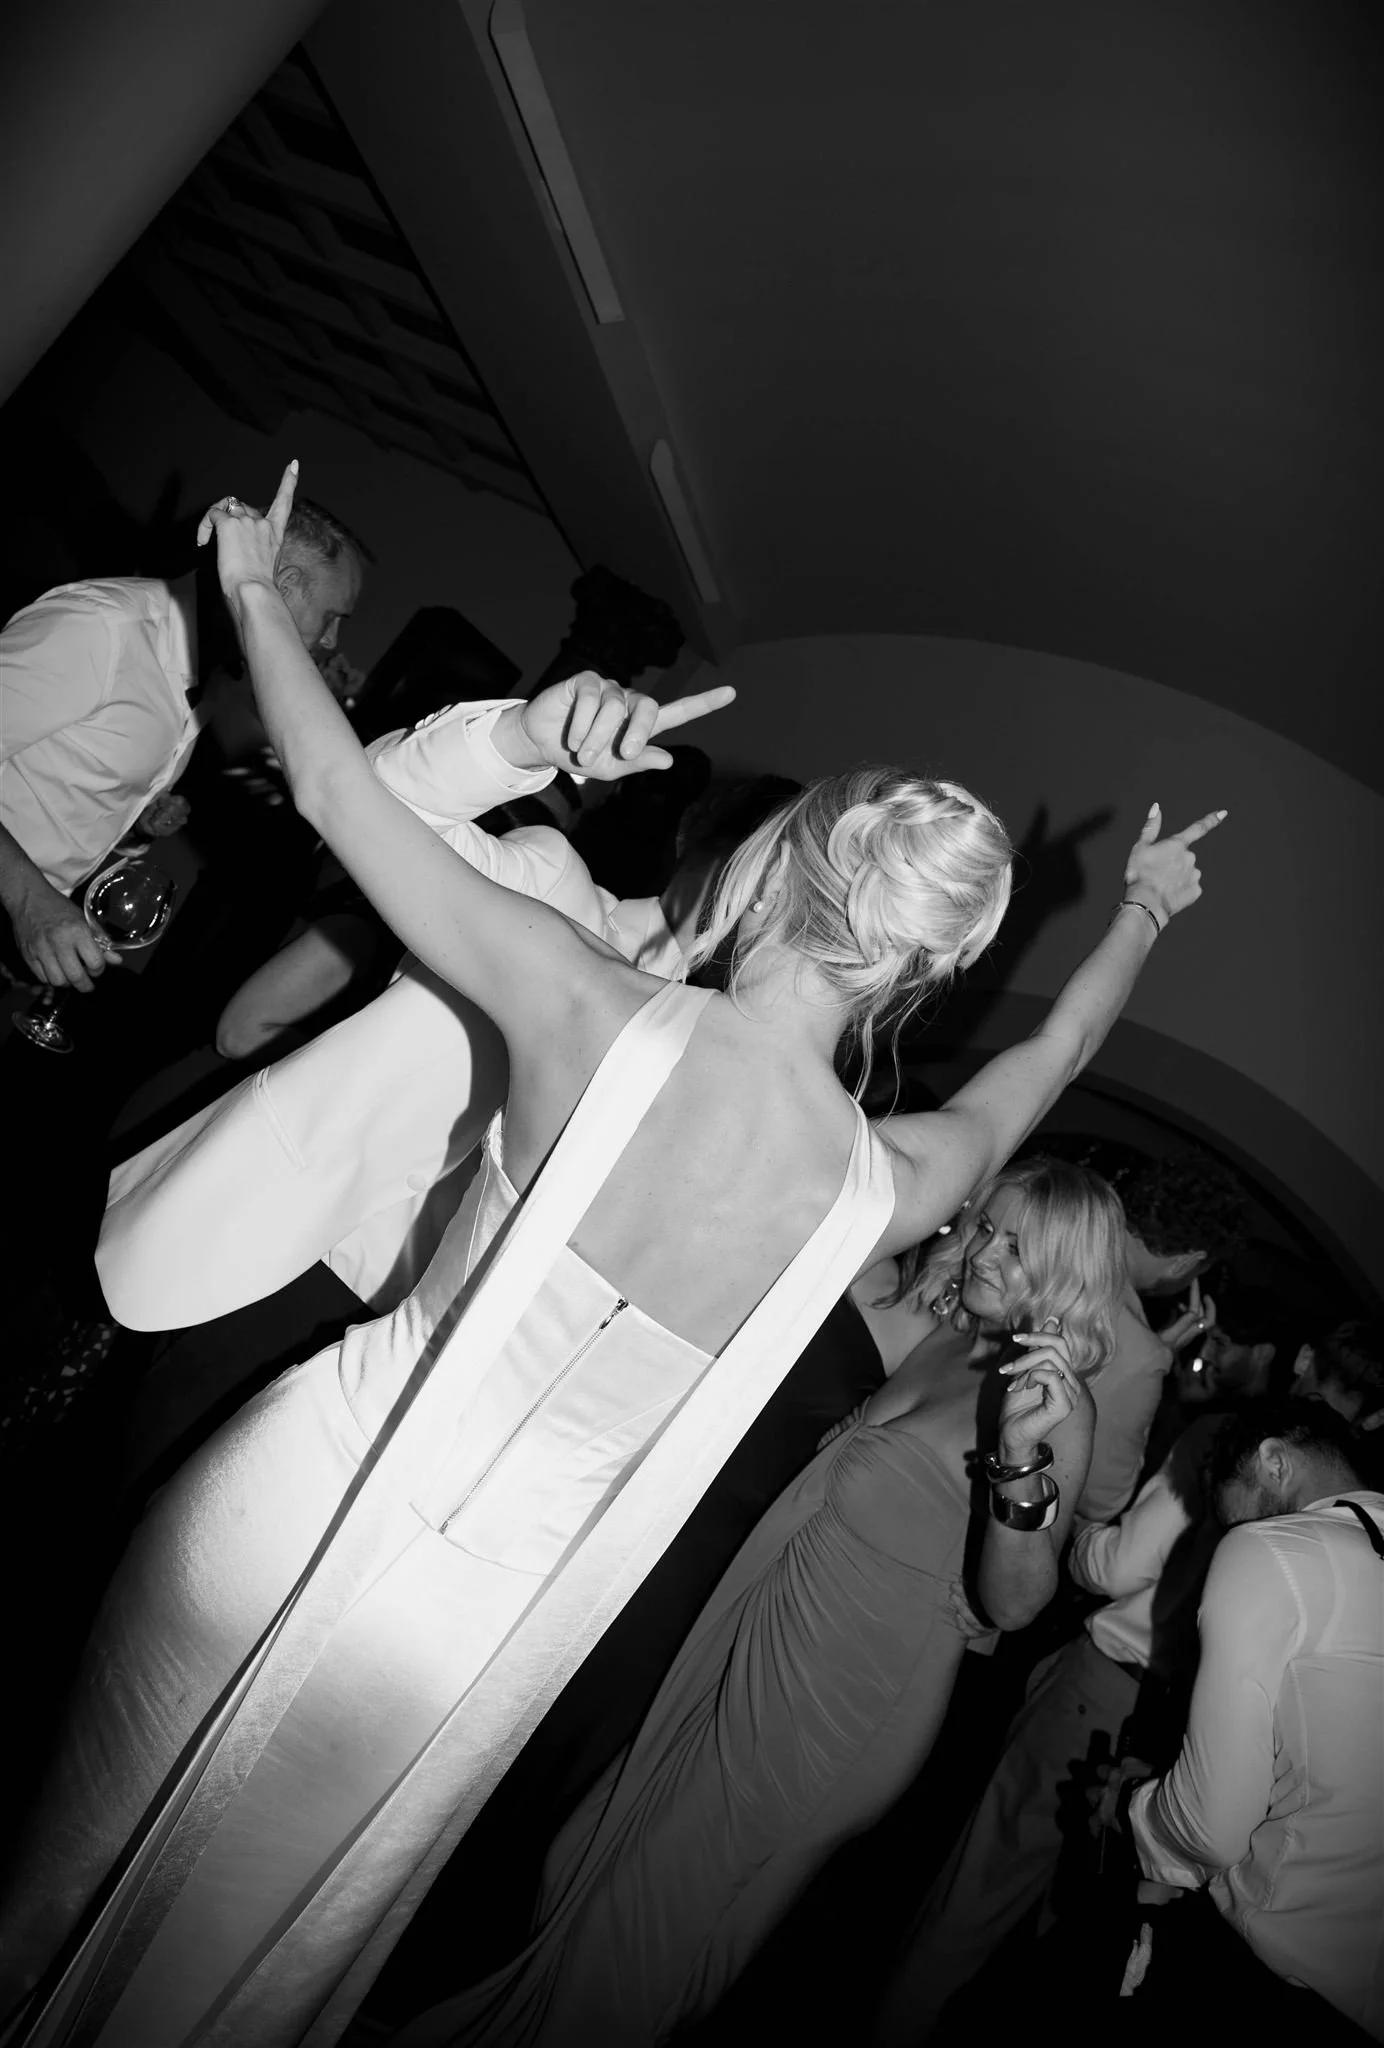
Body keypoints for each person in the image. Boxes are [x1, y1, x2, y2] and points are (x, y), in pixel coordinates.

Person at [0, 463, 1223, 2048]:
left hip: (306, 1497)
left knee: (53, 1884)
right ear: (922, 974)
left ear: (777, 868)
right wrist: (1143, 913)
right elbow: (1043, 1067)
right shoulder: (896, 1183)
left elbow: (333, 790)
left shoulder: (582, 998)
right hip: (467, 1653)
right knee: (232, 1983)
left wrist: (243, 586)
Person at [391, 1160, 1129, 2046]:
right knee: (590, 1860)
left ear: (1065, 1271)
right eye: (983, 1228)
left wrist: (1015, 1459)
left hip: (844, 1701)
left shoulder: (1053, 1404)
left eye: (1017, 1247)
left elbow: (1012, 1604)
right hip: (758, 1639)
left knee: (648, 1920)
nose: (983, 1253)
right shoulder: (946, 1340)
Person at [871, 1405, 1232, 2044]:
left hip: (1111, 1686)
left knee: (986, 1879)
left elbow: (1117, 1567)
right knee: (1075, 1924)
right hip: (1185, 1733)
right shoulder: (1343, 1507)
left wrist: (1083, 1533)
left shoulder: (1228, 1435)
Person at [1124, 1398, 1384, 2040]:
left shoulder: (1271, 1549)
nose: (1231, 1533)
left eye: (1232, 1511)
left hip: (1269, 1984)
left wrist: (1131, 1804)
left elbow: (1209, 1830)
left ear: (1274, 1462)